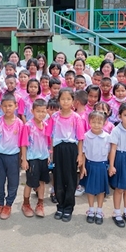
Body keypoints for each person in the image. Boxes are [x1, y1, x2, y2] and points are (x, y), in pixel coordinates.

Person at [0, 95, 28, 220]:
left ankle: (8, 204)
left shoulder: (20, 123)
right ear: (1, 107)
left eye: (10, 105)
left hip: (13, 157)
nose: (7, 108)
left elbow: (23, 143)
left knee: (13, 182)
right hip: (0, 156)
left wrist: (23, 159)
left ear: (16, 106)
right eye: (5, 106)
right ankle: (0, 203)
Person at [50, 88, 86, 222]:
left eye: (68, 99)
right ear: (58, 100)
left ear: (73, 101)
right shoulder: (54, 117)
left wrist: (80, 155)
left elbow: (80, 138)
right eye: (63, 99)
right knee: (58, 178)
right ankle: (60, 205)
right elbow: (51, 137)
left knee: (70, 179)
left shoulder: (76, 117)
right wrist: (51, 153)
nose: (65, 102)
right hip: (58, 149)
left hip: (71, 149)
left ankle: (68, 207)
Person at [21, 99, 51, 218]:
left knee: (42, 182)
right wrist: (24, 159)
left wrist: (48, 155)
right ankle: (26, 204)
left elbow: (48, 143)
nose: (41, 114)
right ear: (32, 111)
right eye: (38, 111)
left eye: (44, 111)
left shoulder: (46, 125)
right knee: (30, 182)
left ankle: (40, 204)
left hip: (43, 158)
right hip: (32, 158)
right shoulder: (28, 126)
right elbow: (23, 144)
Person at [82, 111, 111, 225]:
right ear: (89, 122)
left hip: (102, 165)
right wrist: (83, 167)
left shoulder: (107, 137)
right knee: (90, 189)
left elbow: (110, 153)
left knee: (101, 190)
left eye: (99, 122)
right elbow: (83, 153)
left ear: (104, 123)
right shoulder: (86, 136)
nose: (96, 125)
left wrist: (109, 166)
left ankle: (99, 210)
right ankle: (91, 210)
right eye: (93, 122)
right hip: (90, 165)